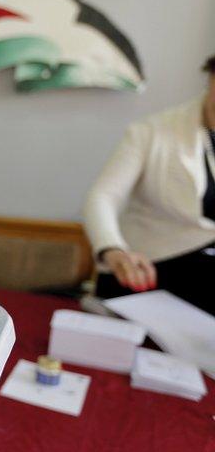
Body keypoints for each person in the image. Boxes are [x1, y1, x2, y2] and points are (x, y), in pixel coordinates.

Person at [84, 56, 215, 314]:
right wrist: (113, 249)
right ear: (210, 80)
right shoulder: (150, 131)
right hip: (144, 273)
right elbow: (102, 197)